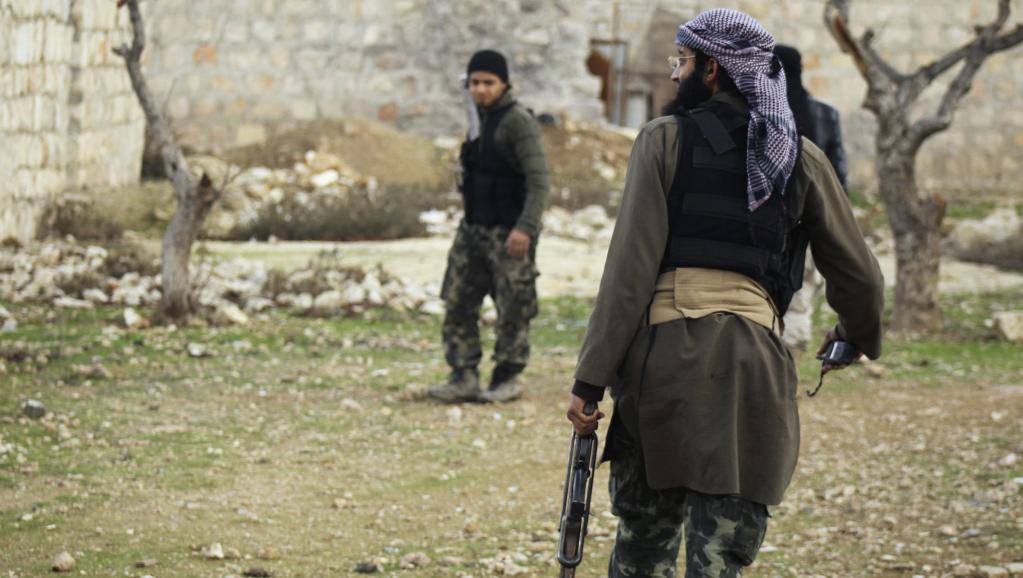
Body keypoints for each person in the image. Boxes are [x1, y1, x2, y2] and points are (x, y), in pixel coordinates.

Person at [565, 9, 884, 577]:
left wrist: (589, 382)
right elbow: (860, 276)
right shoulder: (801, 159)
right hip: (753, 370)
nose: (672, 76)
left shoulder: (664, 141)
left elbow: (627, 276)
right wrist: (854, 336)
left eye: (681, 62)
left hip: (660, 364)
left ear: (711, 69)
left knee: (644, 546)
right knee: (719, 560)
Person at [427, 49, 550, 404]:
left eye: (488, 83)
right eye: (475, 83)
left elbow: (539, 180)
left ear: (504, 84)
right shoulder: (477, 119)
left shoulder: (517, 122)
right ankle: (463, 374)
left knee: (513, 306)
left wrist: (524, 229)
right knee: (458, 301)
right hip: (474, 230)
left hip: (508, 233)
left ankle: (507, 376)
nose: (480, 89)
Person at [774, 44, 852, 358]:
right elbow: (840, 181)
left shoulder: (760, 114)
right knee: (799, 303)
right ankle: (786, 381)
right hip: (809, 231)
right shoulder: (825, 114)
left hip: (762, 231)